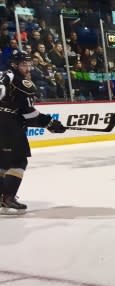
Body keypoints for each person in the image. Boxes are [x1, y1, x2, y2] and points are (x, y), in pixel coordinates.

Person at [0, 50, 66, 214]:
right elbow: (29, 115)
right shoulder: (23, 83)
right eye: (24, 64)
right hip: (8, 125)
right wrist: (50, 123)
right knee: (18, 162)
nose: (28, 68)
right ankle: (7, 198)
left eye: (28, 64)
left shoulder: (3, 75)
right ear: (14, 65)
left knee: (2, 162)